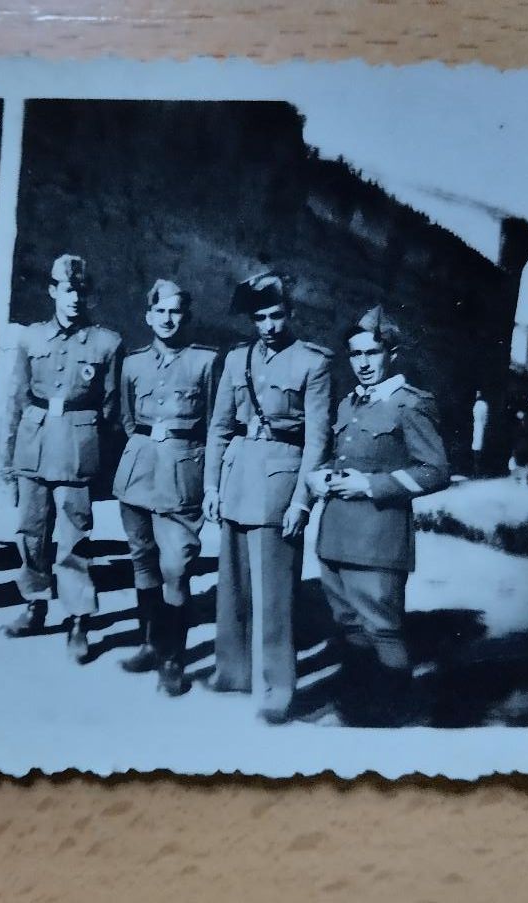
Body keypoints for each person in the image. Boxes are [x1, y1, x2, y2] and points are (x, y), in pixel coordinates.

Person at [306, 306, 449, 726]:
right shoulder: (349, 402)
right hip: (335, 535)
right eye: (355, 354)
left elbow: (436, 471)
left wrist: (372, 486)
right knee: (348, 625)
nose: (363, 363)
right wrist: (324, 476)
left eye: (372, 353)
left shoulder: (409, 405)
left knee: (382, 627)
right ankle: (359, 703)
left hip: (379, 537)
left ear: (393, 354)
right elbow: (347, 456)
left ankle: (390, 715)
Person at [203, 272, 332, 725]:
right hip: (238, 477)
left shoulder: (311, 364)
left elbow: (316, 442)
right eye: (260, 318)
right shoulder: (236, 360)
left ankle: (277, 688)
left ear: (290, 314)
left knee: (275, 596)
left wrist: (302, 502)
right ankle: (233, 673)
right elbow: (219, 427)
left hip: (279, 484)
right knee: (232, 587)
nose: (269, 326)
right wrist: (212, 486)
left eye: (277, 316)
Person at [0, 255, 123, 664]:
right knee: (31, 531)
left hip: (75, 444)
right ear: (53, 291)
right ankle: (35, 603)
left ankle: (78, 619)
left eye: (81, 291)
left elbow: (110, 407)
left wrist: (95, 454)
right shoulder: (31, 338)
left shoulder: (107, 343)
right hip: (33, 440)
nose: (74, 299)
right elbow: (15, 399)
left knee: (74, 538)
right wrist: (6, 458)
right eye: (67, 291)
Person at [113, 279, 219, 696]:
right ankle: (149, 645)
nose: (168, 319)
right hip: (138, 470)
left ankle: (174, 656)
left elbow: (216, 425)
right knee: (142, 560)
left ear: (186, 316)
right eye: (160, 312)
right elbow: (126, 418)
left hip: (182, 474)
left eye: (176, 311)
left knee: (176, 566)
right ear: (148, 316)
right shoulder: (133, 363)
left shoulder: (206, 362)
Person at [470, 389, 488, 477]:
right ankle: (480, 471)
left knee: (477, 449)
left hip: (478, 427)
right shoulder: (483, 404)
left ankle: (477, 472)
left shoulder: (478, 405)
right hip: (480, 428)